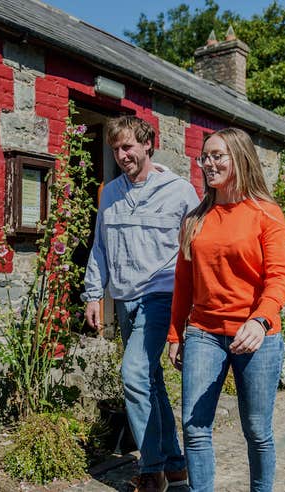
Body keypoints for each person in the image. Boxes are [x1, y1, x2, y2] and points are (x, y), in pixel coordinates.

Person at [167, 127, 285, 492]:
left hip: (257, 337)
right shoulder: (195, 219)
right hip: (204, 333)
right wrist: (175, 333)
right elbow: (184, 281)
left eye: (217, 156)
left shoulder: (266, 213)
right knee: (194, 428)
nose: (208, 163)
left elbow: (280, 276)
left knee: (256, 430)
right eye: (204, 157)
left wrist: (260, 319)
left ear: (239, 158)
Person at [83, 115, 200, 492]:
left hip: (161, 296)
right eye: (116, 149)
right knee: (149, 380)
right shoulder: (110, 193)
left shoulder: (179, 191)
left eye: (128, 146)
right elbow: (100, 246)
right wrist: (93, 293)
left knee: (133, 373)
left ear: (148, 144)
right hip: (125, 299)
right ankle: (176, 464)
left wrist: (198, 304)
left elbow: (198, 248)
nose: (122, 155)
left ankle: (152, 470)